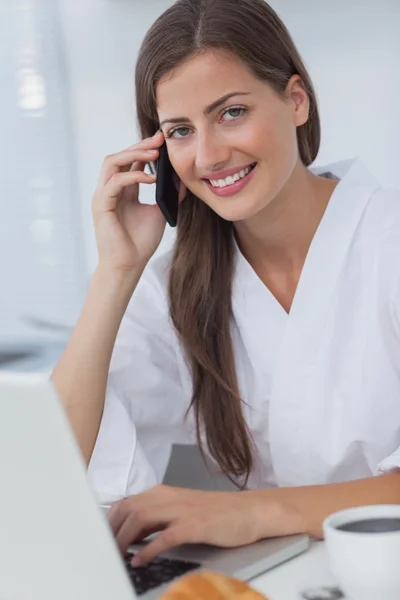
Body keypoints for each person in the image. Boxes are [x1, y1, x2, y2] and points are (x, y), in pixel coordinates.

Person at [52, 0, 400, 568]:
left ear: (295, 100)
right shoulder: (181, 285)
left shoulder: (389, 238)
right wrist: (116, 272)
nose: (209, 155)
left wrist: (257, 512)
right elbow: (50, 470)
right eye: (181, 130)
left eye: (232, 112)